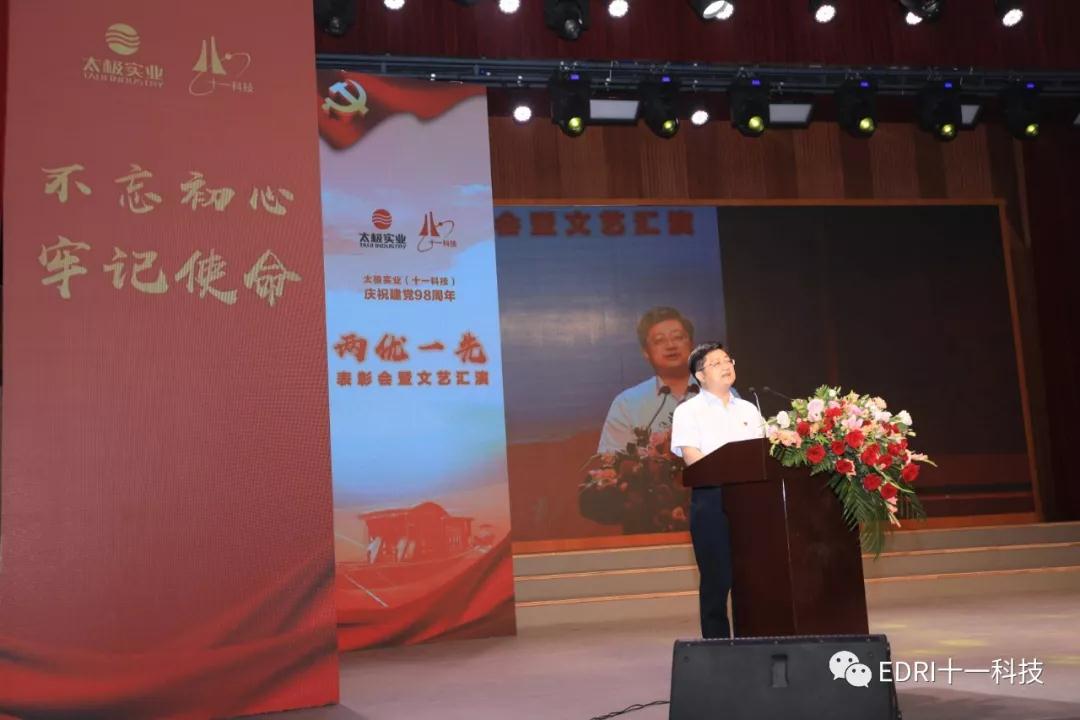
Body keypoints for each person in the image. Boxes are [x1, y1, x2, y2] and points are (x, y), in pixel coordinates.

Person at [670, 342, 764, 639]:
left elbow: (762, 454)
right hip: (712, 500)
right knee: (717, 579)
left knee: (752, 578)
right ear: (700, 375)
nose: (726, 366)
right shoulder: (688, 411)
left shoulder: (749, 409)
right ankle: (718, 647)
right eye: (716, 363)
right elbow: (691, 456)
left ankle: (755, 640)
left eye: (728, 360)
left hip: (751, 500)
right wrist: (727, 474)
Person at [597, 307, 699, 455]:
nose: (671, 345)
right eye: (659, 341)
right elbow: (611, 462)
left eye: (678, 337)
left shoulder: (722, 394)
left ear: (691, 344)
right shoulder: (627, 404)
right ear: (646, 352)